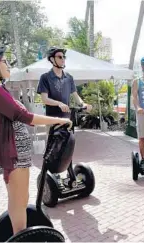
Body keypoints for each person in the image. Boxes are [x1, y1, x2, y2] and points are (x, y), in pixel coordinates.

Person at [0, 45, 73, 236]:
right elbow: (26, 117)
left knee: (21, 199)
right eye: (4, 61)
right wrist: (60, 120)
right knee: (18, 201)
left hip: (16, 153)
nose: (8, 65)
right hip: (12, 154)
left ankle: (20, 233)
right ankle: (20, 236)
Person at [36, 46, 92, 182]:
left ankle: (70, 173)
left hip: (67, 119)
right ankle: (51, 174)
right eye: (60, 57)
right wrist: (58, 103)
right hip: (52, 119)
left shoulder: (69, 78)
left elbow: (75, 95)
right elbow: (44, 99)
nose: (63, 59)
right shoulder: (45, 77)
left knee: (68, 147)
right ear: (52, 59)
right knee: (53, 148)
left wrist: (83, 104)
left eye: (63, 57)